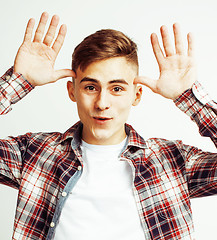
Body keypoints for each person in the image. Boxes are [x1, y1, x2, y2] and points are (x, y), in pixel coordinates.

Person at [0, 11, 216, 240]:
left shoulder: (173, 161)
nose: (102, 103)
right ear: (72, 91)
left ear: (137, 95)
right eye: (91, 87)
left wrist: (188, 97)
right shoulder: (32, 153)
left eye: (117, 88)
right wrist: (17, 82)